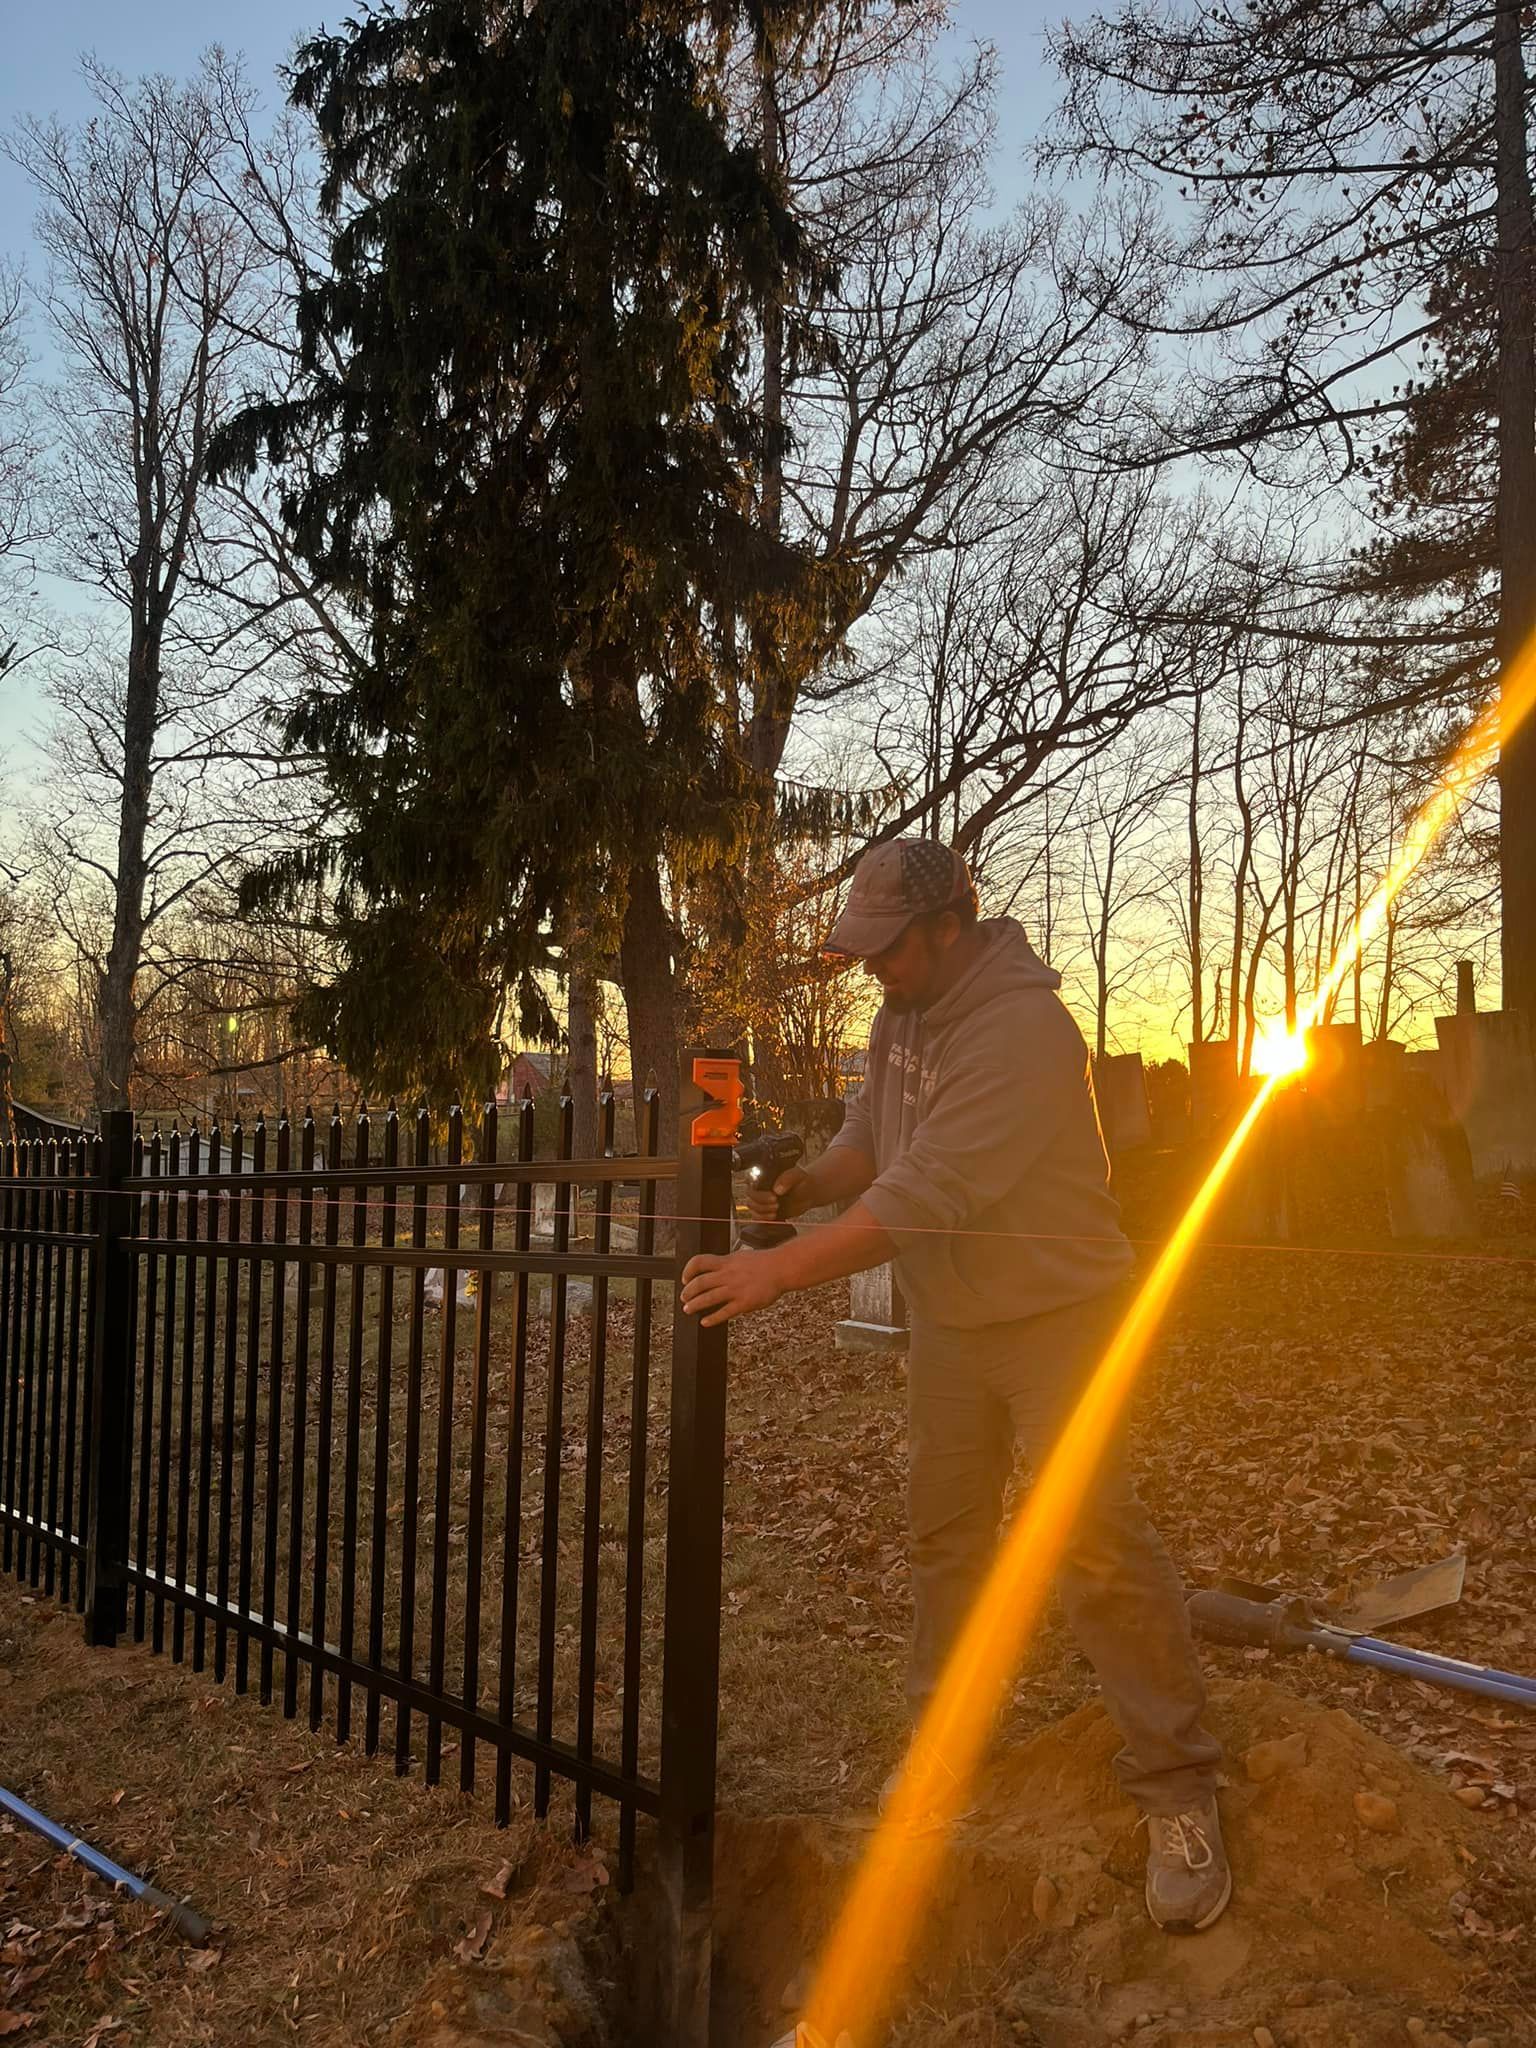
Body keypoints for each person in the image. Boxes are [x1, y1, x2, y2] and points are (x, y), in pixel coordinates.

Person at [679, 837, 1230, 1936]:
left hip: (1056, 1315)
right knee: (945, 1535)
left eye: (886, 949)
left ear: (948, 926)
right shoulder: (900, 1018)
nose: (872, 969)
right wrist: (798, 1185)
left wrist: (777, 1268)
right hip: (953, 1320)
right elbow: (871, 1148)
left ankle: (1179, 1790)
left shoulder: (1026, 1031)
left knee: (1090, 1537)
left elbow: (927, 1191)